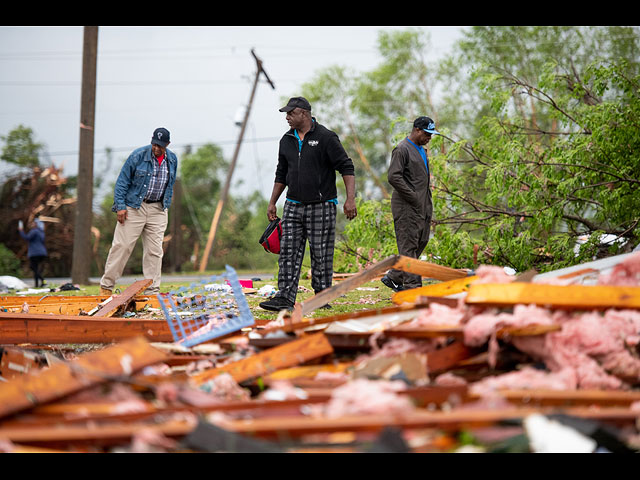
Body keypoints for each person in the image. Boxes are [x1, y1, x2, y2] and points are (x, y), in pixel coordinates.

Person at [259, 97, 357, 311]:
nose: (286, 118)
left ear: (303, 113)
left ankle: (321, 297)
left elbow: (347, 167)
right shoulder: (286, 140)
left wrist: (350, 199)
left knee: (320, 254)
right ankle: (285, 297)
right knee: (288, 251)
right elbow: (281, 173)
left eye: (290, 114)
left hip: (322, 205)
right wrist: (272, 202)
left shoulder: (326, 137)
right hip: (293, 205)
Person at [100, 127, 178, 296]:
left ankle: (152, 291)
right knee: (122, 245)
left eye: (160, 146)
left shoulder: (172, 159)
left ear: (168, 145)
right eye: (154, 144)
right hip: (135, 207)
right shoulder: (138, 156)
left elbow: (170, 184)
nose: (156, 148)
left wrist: (165, 205)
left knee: (155, 251)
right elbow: (122, 182)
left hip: (158, 208)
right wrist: (120, 206)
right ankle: (106, 287)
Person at [381, 116, 439, 292]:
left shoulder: (422, 150)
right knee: (409, 247)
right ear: (417, 130)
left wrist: (424, 202)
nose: (429, 137)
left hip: (422, 205)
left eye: (432, 134)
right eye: (427, 133)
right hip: (406, 207)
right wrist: (413, 196)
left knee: (421, 240)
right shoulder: (402, 149)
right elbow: (393, 177)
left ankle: (394, 276)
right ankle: (413, 288)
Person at [18, 218, 48, 288]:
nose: (32, 224)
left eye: (34, 223)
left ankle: (42, 280)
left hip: (35, 253)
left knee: (33, 267)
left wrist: (21, 231)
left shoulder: (34, 231)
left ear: (36, 224)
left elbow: (27, 238)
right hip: (42, 252)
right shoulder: (42, 232)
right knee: (36, 269)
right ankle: (37, 284)